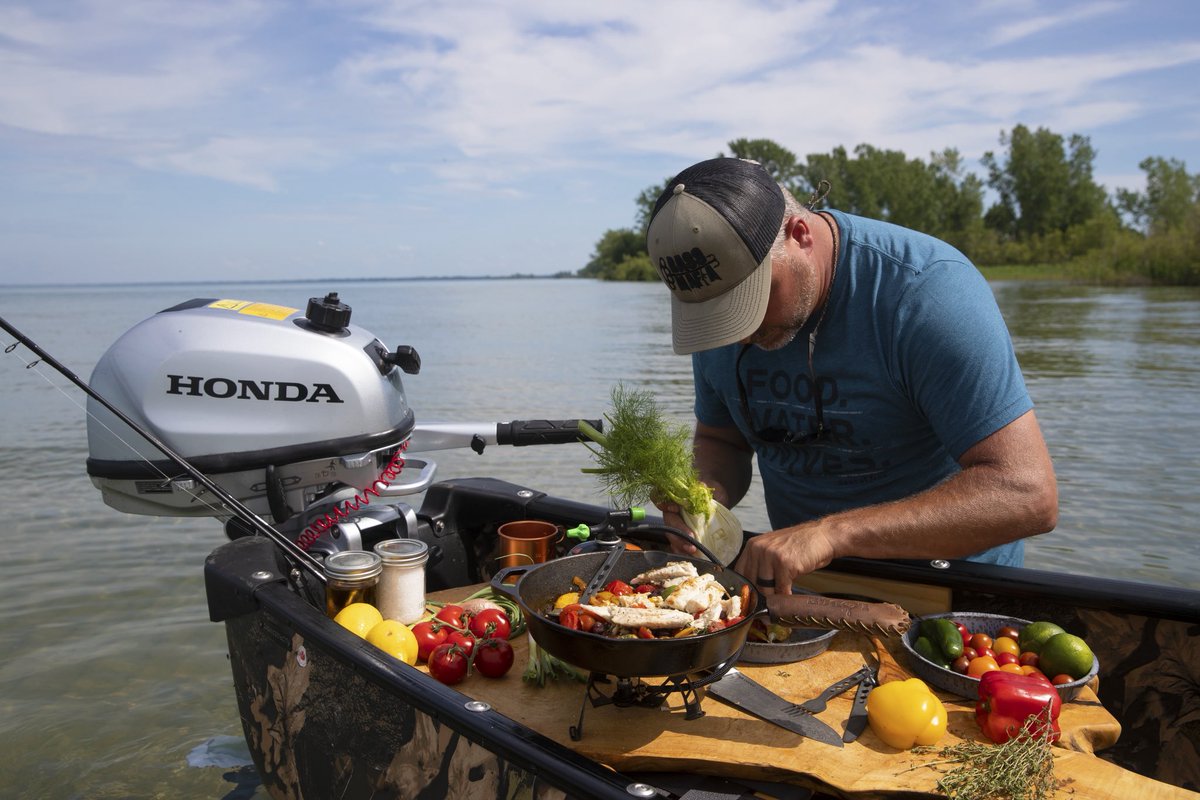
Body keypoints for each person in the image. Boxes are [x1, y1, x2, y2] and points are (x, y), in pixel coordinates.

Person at [646, 156, 1057, 594]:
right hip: (801, 587)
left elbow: (1027, 493)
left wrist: (830, 535)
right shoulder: (725, 320)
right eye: (719, 315)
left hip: (945, 591)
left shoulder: (925, 296)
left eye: (750, 300)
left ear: (799, 234)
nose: (740, 333)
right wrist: (703, 499)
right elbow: (721, 441)